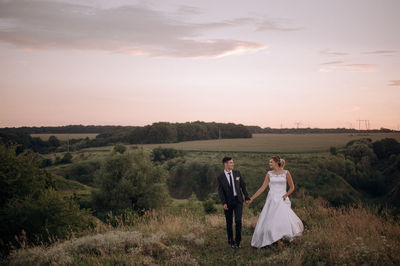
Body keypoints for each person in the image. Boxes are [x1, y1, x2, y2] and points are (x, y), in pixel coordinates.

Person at [248, 156, 303, 248]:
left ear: (277, 162)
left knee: (281, 221)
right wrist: (252, 198)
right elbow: (262, 188)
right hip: (272, 200)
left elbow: (292, 187)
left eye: (271, 162)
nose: (269, 164)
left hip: (282, 199)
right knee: (272, 221)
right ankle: (277, 241)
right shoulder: (269, 174)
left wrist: (286, 195)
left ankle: (281, 241)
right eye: (269, 162)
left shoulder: (286, 173)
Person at [217, 157, 251, 248]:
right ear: (225, 164)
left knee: (238, 221)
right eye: (231, 162)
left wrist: (247, 197)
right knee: (229, 222)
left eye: (232, 162)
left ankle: (238, 242)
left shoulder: (237, 173)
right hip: (228, 203)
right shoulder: (220, 177)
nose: (233, 164)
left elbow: (243, 186)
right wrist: (224, 203)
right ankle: (231, 241)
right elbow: (221, 192)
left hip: (238, 201)